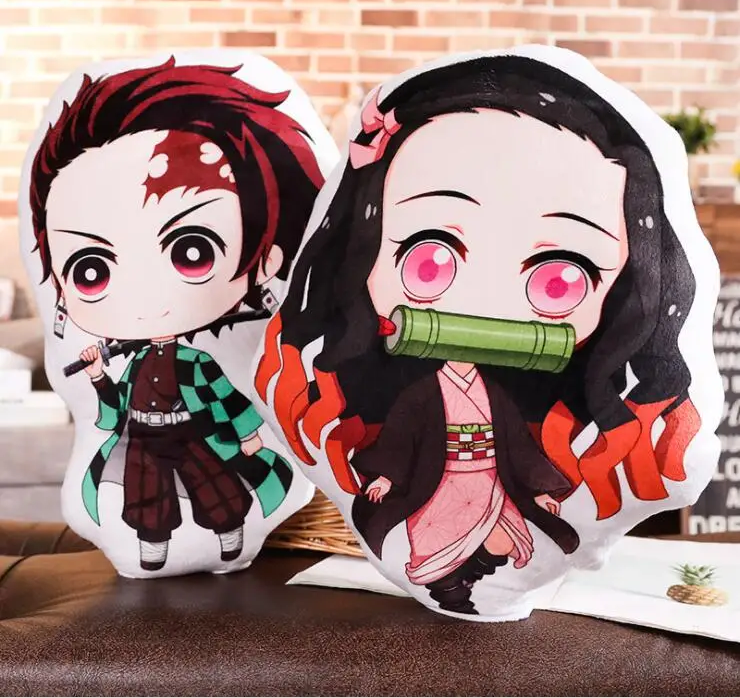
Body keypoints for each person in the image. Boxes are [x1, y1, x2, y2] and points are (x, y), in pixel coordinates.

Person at [255, 55, 700, 614]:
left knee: (499, 539)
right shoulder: (415, 392)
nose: (486, 304)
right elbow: (398, 434)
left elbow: (519, 445)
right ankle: (453, 584)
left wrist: (542, 487)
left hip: (489, 480)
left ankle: (474, 580)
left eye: (560, 279)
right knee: (437, 538)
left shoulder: (515, 401)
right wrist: (383, 476)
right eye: (429, 260)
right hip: (438, 482)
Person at [29, 58, 323, 571]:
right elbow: (112, 408)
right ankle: (153, 546)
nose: (144, 298)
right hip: (143, 438)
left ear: (270, 259)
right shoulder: (134, 364)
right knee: (146, 497)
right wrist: (97, 376)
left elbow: (227, 395)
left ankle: (229, 533)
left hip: (192, 432)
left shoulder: (195, 362)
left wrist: (249, 433)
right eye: (91, 269)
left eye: (193, 251)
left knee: (215, 485)